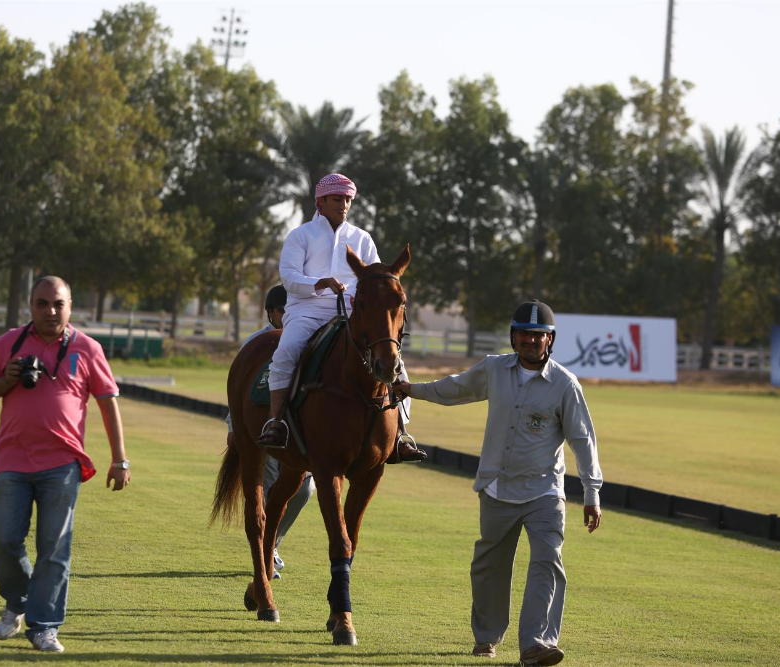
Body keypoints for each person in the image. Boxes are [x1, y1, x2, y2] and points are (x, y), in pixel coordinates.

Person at [395, 300, 603, 667]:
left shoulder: (565, 384)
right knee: (489, 567)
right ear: (513, 336)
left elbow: (583, 440)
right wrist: (412, 390)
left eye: (538, 335)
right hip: (495, 487)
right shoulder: (494, 369)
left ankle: (537, 644)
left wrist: (592, 493)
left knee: (547, 561)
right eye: (523, 334)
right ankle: (487, 637)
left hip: (544, 492)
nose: (530, 341)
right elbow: (455, 388)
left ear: (550, 340)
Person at [0, 276, 130, 653]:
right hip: (11, 459)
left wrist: (120, 459)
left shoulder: (87, 348)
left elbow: (108, 403)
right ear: (30, 306)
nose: (50, 311)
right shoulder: (9, 343)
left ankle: (45, 626)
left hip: (62, 464)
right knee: (4, 540)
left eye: (58, 303)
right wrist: (6, 379)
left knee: (54, 548)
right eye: (42, 303)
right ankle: (18, 602)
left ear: (70, 306)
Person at [256, 173, 425, 463]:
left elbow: (374, 281)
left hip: (351, 313)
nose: (343, 205)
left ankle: (400, 434)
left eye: (347, 200)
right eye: (337, 199)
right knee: (286, 352)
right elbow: (289, 278)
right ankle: (276, 422)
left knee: (396, 365)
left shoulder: (362, 238)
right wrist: (321, 283)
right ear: (320, 202)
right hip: (307, 311)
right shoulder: (300, 235)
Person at [225, 285, 315, 576]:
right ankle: (265, 551)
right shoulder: (257, 343)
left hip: (298, 431)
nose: (288, 316)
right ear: (271, 312)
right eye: (282, 311)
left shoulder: (310, 340)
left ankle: (273, 541)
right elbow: (238, 391)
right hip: (262, 430)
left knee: (305, 489)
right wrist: (233, 427)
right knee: (263, 489)